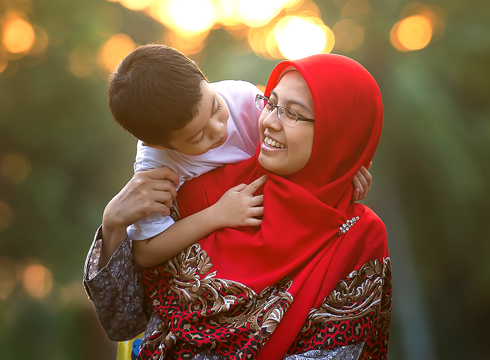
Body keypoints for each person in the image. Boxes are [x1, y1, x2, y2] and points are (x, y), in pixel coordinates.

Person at [84, 53, 390, 360]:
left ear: (339, 133)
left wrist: (341, 172)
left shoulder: (357, 234)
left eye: (292, 114)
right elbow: (125, 320)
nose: (268, 121)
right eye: (270, 103)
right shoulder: (195, 191)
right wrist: (112, 225)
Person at [107, 44, 372, 268]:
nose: (220, 128)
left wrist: (340, 170)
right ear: (158, 144)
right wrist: (215, 215)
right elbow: (146, 251)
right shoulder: (154, 167)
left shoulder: (242, 98)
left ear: (202, 75)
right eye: (198, 137)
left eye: (215, 107)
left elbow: (296, 147)